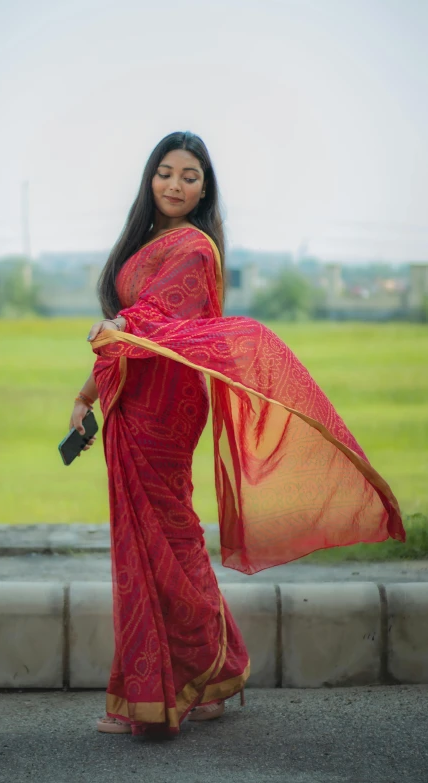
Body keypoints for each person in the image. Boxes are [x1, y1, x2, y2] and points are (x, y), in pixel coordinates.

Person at [70, 131, 405, 737]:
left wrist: (119, 324)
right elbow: (127, 332)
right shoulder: (144, 242)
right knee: (148, 543)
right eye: (165, 172)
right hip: (130, 396)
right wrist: (85, 396)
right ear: (149, 179)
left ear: (205, 187)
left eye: (189, 176)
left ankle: (167, 690)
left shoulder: (195, 249)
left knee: (168, 537)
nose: (175, 184)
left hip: (166, 406)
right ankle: (209, 678)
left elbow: (155, 320)